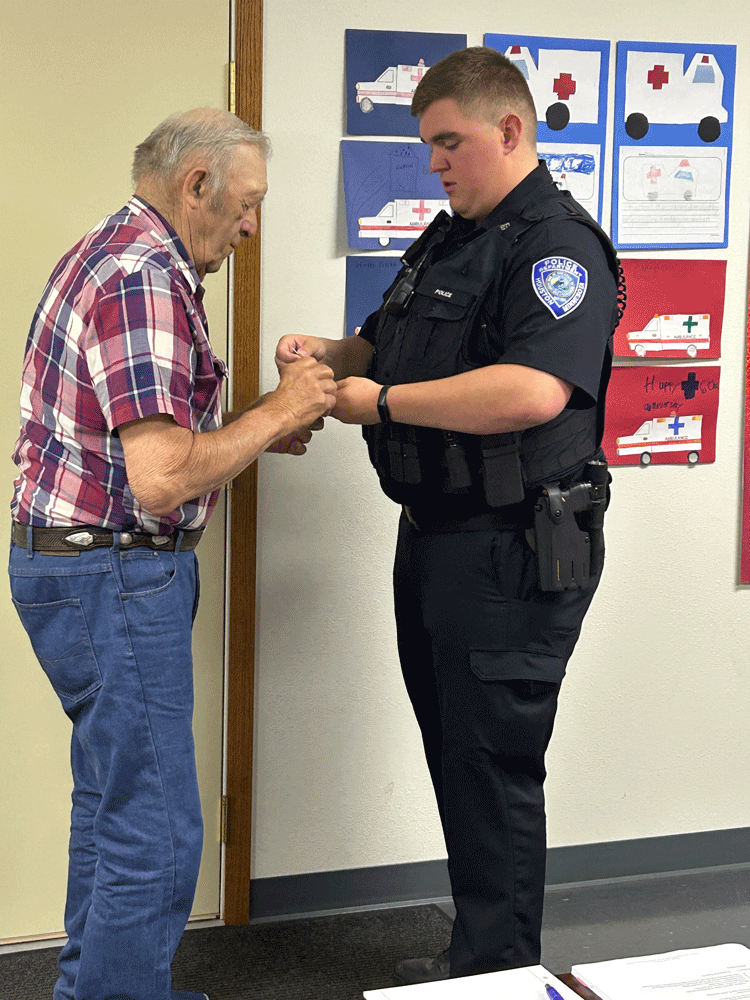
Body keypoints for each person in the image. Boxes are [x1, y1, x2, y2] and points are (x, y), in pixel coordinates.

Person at [276, 48, 621, 982]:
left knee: (494, 767)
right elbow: (384, 342)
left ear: (508, 130)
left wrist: (377, 403)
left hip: (510, 551)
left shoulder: (558, 247)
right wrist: (331, 356)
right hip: (435, 540)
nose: (434, 163)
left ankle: (502, 972)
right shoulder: (452, 235)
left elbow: (532, 390)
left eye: (447, 142)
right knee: (459, 757)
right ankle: (482, 957)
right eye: (427, 145)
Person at [9, 108, 337, 1000]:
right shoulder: (142, 278)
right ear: (198, 183)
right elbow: (158, 480)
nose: (251, 226)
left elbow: (150, 448)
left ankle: (103, 991)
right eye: (247, 204)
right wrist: (277, 411)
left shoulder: (116, 252)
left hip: (82, 568)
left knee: (116, 807)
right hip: (110, 571)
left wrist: (260, 429)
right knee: (155, 831)